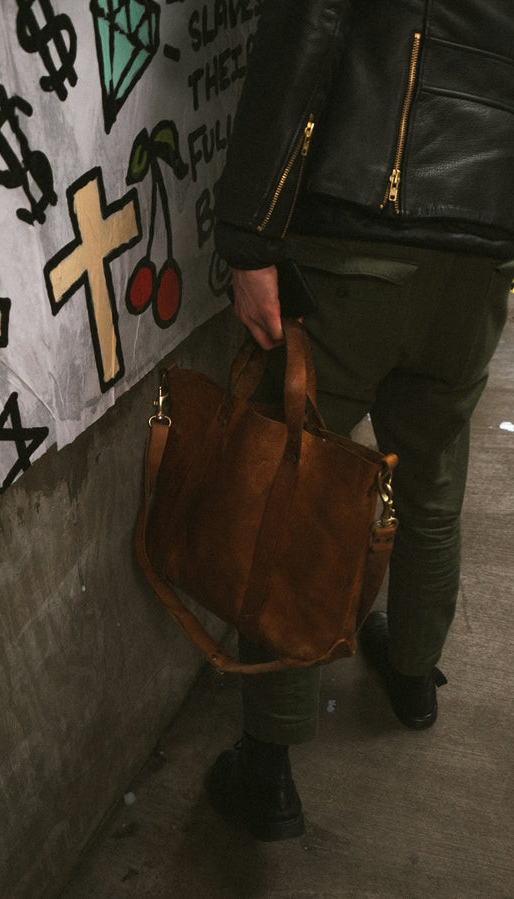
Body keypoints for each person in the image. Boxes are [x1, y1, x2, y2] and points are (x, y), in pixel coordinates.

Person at [207, 0, 514, 842]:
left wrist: (249, 233)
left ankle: (267, 765)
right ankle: (413, 672)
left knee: (293, 487)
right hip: (483, 248)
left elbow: (303, 33)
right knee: (433, 474)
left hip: (357, 235)